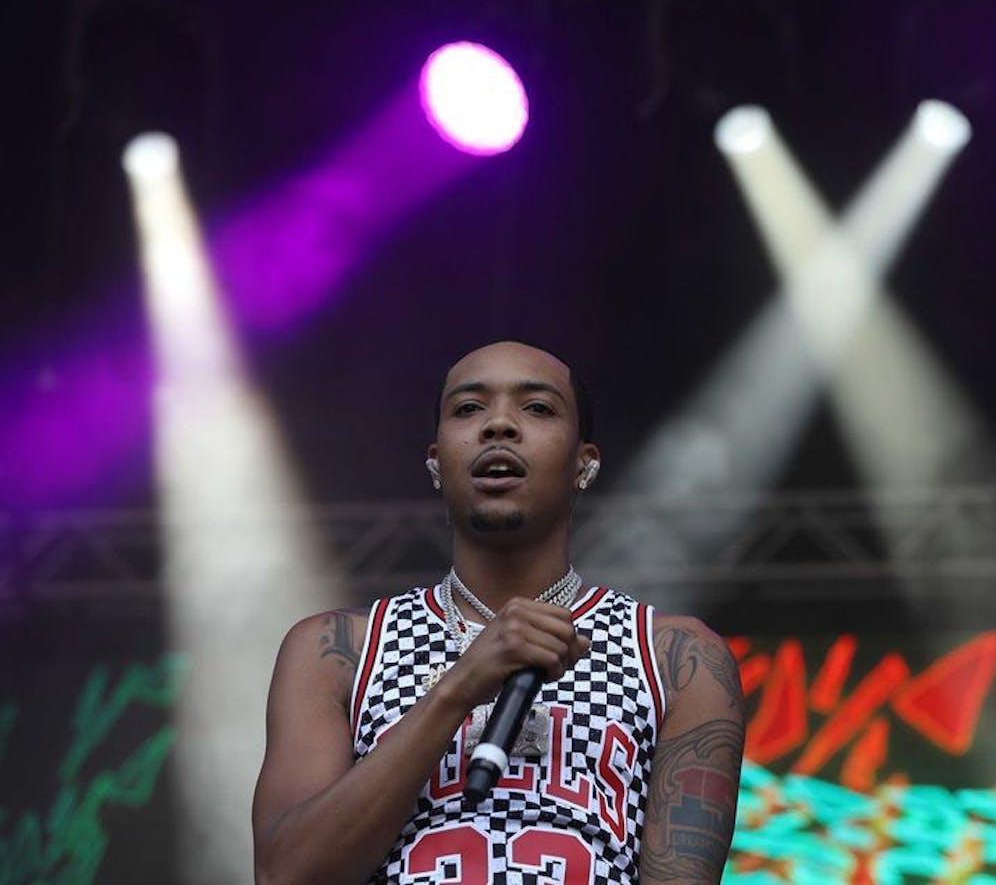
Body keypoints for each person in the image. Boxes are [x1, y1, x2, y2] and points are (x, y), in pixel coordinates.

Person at [252, 341, 745, 884]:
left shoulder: (673, 656)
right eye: (469, 409)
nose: (499, 425)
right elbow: (286, 875)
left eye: (537, 408)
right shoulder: (339, 650)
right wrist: (460, 687)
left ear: (585, 463)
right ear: (436, 461)